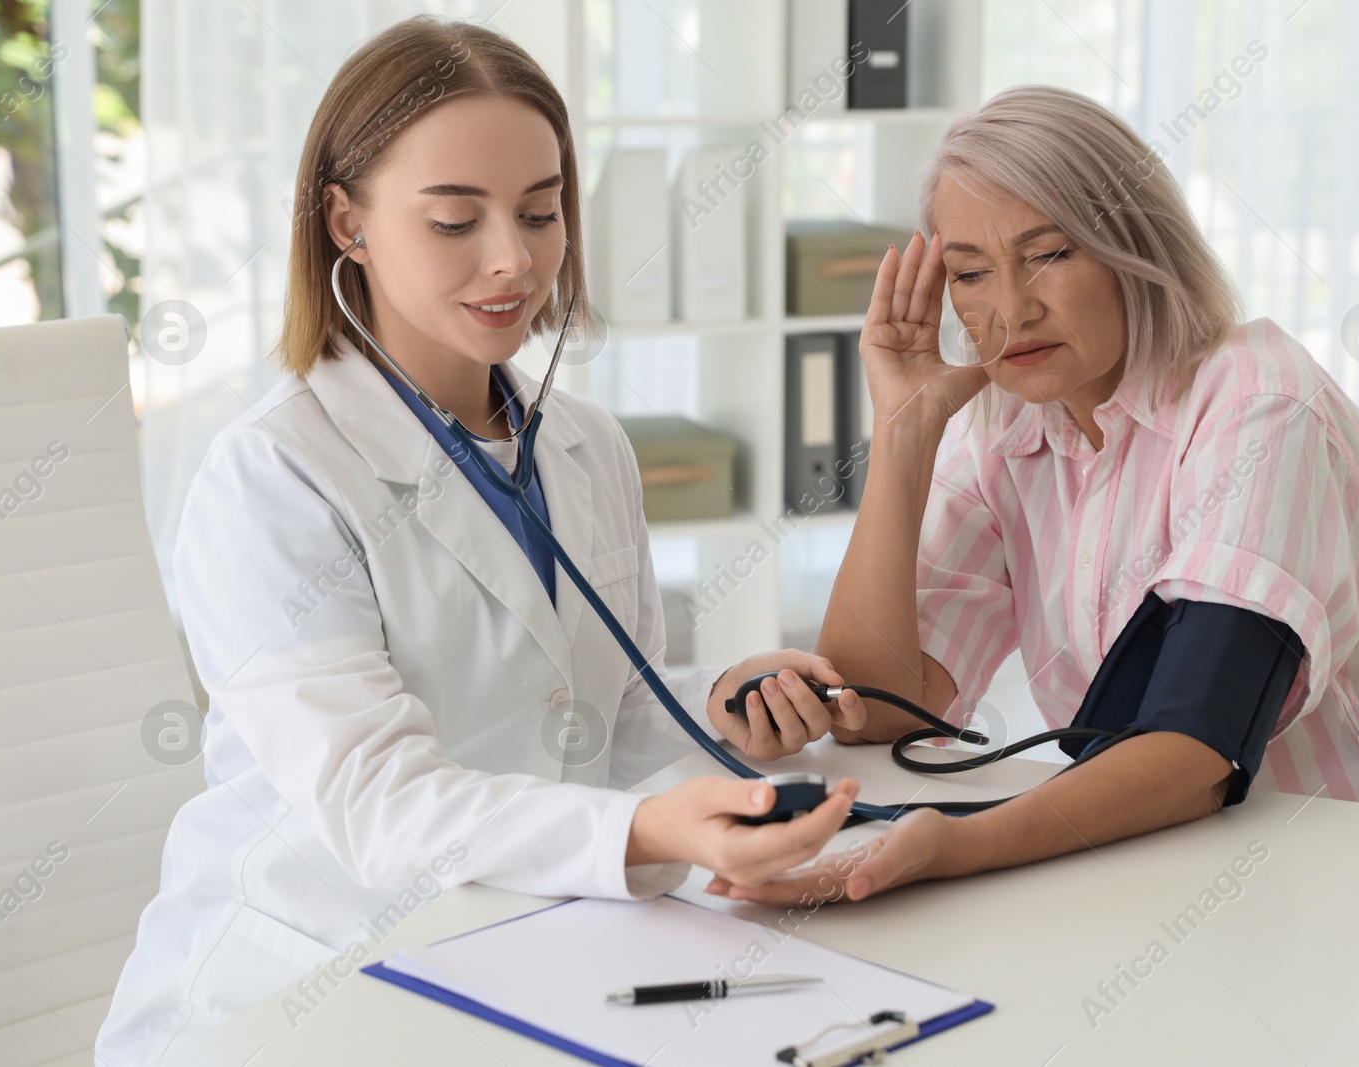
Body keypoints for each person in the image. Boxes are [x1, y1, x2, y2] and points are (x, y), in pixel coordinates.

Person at [97, 18, 867, 1064]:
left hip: (518, 941)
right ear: (346, 222)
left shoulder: (585, 443)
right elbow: (378, 805)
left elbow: (604, 713)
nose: (515, 260)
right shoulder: (271, 476)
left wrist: (725, 715)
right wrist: (648, 833)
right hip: (306, 980)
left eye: (541, 212)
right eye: (455, 220)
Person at [709, 85, 1359, 908]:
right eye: (971, 273)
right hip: (1179, 867)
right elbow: (883, 703)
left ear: (1135, 244)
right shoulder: (1006, 430)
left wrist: (961, 842)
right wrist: (905, 434)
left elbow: (1193, 750)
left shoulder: (1260, 406)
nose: (1011, 310)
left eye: (1050, 254)